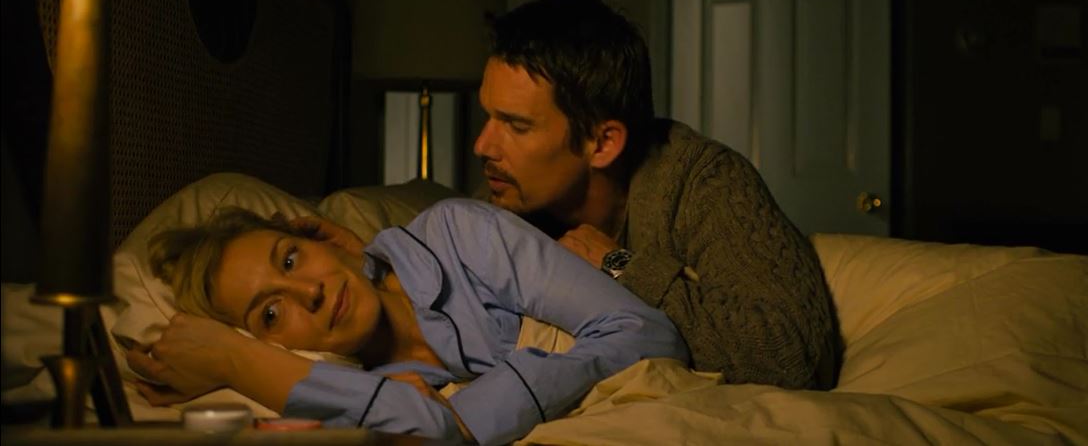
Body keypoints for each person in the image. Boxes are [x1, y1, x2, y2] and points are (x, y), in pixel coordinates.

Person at [472, 0, 839, 390]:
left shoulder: (702, 182)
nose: (483, 146)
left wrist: (619, 265)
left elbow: (795, 358)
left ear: (603, 143)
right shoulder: (506, 198)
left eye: (517, 126)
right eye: (488, 117)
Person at [126, 198, 687, 444]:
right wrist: (236, 362)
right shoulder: (350, 395)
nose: (309, 293)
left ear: (316, 239)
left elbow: (649, 334)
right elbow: (427, 433)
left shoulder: (456, 235)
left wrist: (471, 414)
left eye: (291, 259)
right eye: (271, 313)